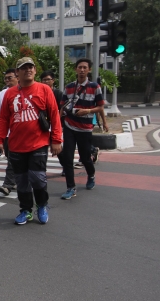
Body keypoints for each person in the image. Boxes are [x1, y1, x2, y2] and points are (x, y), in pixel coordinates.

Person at [0, 57, 62, 225]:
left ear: (35, 70)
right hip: (16, 145)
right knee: (22, 181)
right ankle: (25, 210)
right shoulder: (9, 94)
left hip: (39, 143)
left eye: (30, 67)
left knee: (38, 178)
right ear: (17, 73)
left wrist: (56, 139)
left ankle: (42, 205)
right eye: (23, 68)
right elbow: (3, 119)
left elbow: (54, 115)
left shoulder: (45, 90)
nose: (28, 70)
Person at [60, 58, 108, 200]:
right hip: (69, 126)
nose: (81, 70)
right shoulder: (69, 87)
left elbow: (100, 107)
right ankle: (70, 188)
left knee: (85, 157)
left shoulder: (95, 87)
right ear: (76, 69)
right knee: (68, 157)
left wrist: (88, 111)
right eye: (79, 67)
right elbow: (62, 106)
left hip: (85, 128)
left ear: (89, 70)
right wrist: (59, 120)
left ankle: (91, 175)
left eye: (84, 68)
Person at [40, 70, 66, 176]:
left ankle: (65, 166)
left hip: (55, 124)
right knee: (42, 148)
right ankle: (41, 169)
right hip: (43, 124)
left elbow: (62, 108)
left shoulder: (58, 93)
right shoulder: (39, 92)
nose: (46, 82)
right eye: (44, 80)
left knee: (58, 148)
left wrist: (56, 121)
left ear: (53, 80)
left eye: (48, 79)